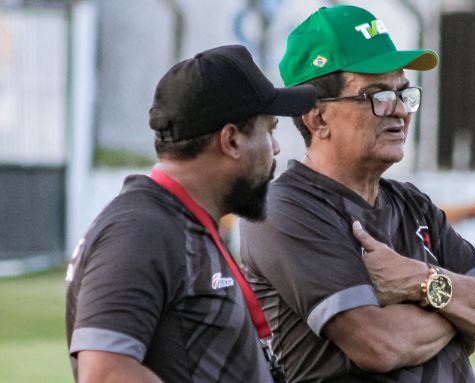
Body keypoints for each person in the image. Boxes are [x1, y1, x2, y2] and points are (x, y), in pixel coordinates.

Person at [239, 5, 475, 382]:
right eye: (376, 96)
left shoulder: (414, 204)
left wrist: (419, 281)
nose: (399, 111)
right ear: (318, 117)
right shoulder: (284, 208)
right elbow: (379, 344)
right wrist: (462, 315)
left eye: (404, 93)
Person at [65, 45, 316, 383]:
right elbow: (105, 373)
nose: (276, 147)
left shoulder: (176, 222)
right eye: (268, 130)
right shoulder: (142, 229)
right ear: (231, 141)